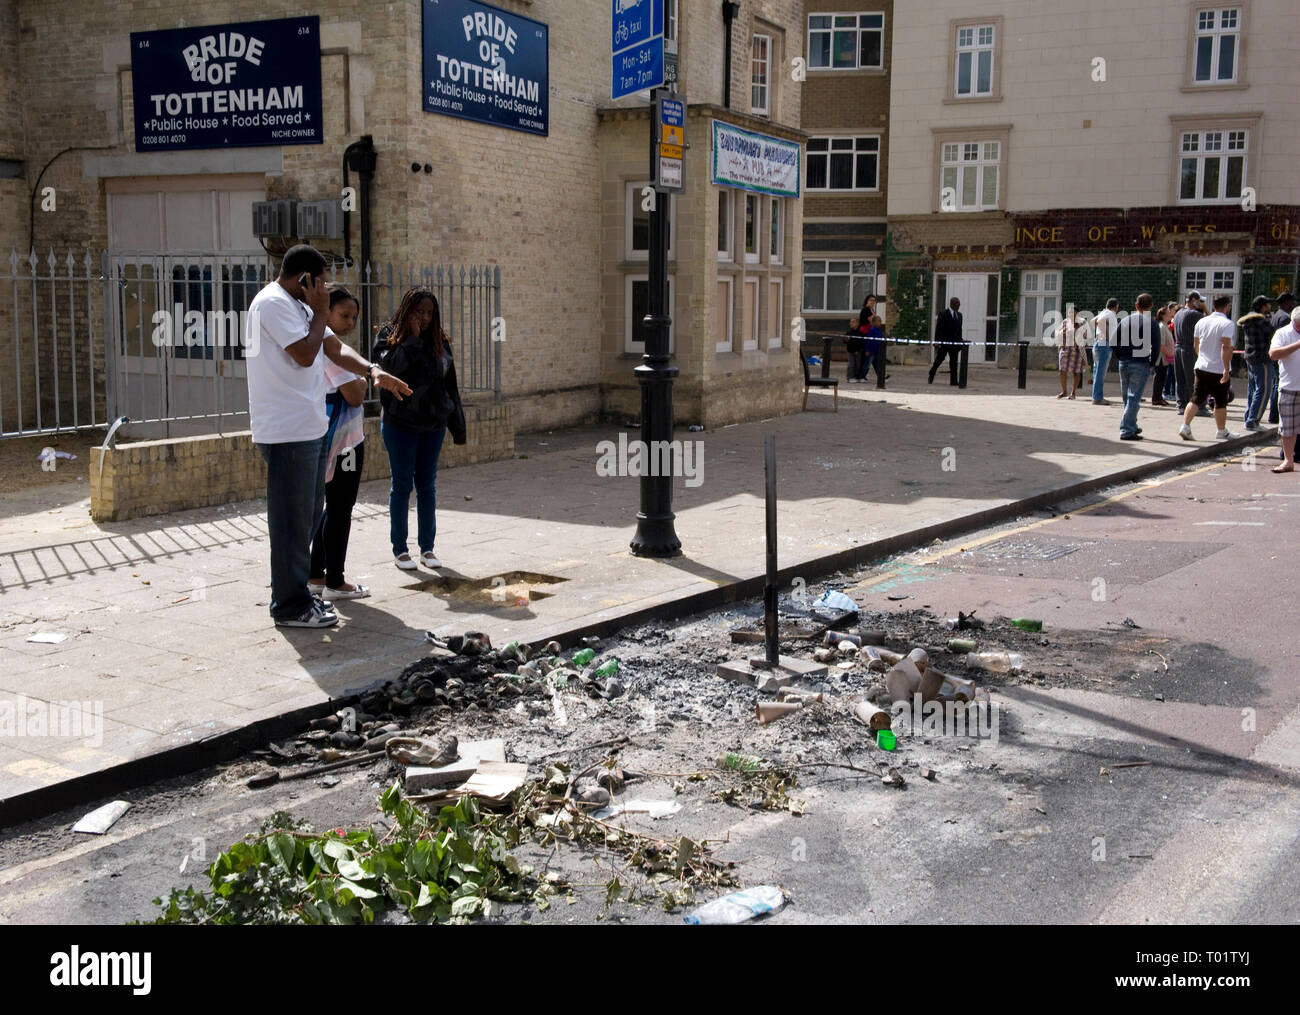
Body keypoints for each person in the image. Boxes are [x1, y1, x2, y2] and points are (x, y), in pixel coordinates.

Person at [245, 246, 410, 628]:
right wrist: (321, 311)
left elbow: (331, 347)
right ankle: (288, 606)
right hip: (286, 431)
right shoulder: (272, 304)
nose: (324, 289)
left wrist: (372, 371)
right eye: (319, 281)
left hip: (310, 427)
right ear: (305, 279)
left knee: (306, 517)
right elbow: (305, 354)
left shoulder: (300, 307)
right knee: (291, 520)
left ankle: (299, 596)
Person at [375, 288, 467, 572]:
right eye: (419, 312)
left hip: (433, 424)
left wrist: (456, 422)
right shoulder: (388, 337)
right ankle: (400, 550)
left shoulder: (439, 340)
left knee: (427, 485)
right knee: (402, 485)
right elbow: (389, 369)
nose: (424, 318)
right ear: (407, 311)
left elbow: (449, 382)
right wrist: (412, 339)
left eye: (429, 313)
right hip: (399, 423)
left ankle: (427, 548)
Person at [308, 286, 370, 599]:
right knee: (340, 508)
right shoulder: (331, 351)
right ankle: (336, 580)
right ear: (326, 312)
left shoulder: (320, 345)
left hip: (334, 438)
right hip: (342, 443)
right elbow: (357, 394)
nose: (349, 322)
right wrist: (360, 380)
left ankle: (316, 574)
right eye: (343, 315)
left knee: (332, 507)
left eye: (354, 317)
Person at [1178, 295, 1238, 441]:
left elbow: (1196, 344)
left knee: (1196, 397)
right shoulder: (1227, 323)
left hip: (1201, 366)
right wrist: (1225, 369)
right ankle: (1221, 431)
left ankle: (1185, 426)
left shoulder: (1202, 321)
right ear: (1227, 306)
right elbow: (1225, 346)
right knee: (1220, 400)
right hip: (1218, 368)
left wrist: (1202, 358)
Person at [1114, 294, 1160, 440]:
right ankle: (1127, 429)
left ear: (1136, 305)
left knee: (1127, 397)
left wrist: (1120, 356)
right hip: (1141, 362)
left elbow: (1114, 340)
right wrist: (1152, 363)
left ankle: (1131, 425)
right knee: (1134, 397)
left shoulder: (1125, 320)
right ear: (1151, 306)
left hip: (1124, 361)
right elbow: (1157, 346)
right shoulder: (1152, 323)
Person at [1268, 306, 1300, 473]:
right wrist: (1297, 345)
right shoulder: (1283, 333)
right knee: (1288, 427)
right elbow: (1273, 354)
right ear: (1293, 321)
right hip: (1289, 386)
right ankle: (1288, 461)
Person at [1239, 295, 1275, 431]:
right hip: (1262, 358)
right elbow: (1273, 334)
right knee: (1264, 389)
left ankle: (1249, 416)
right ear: (1262, 306)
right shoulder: (1261, 321)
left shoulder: (1248, 320)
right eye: (1268, 304)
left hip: (1250, 357)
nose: (1270, 307)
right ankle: (1253, 421)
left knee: (1253, 389)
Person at [1173, 291, 1206, 415]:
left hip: (1178, 348)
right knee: (1193, 379)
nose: (1201, 304)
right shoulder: (1193, 314)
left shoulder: (1178, 314)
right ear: (1193, 300)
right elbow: (1210, 320)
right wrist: (1204, 308)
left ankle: (1181, 405)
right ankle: (1198, 406)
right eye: (1200, 301)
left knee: (1180, 379)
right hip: (1188, 348)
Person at [1268, 292, 1296, 426]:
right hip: (1283, 356)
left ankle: (1274, 414)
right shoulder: (1285, 320)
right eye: (1292, 302)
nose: (1294, 304)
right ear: (1286, 303)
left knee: (1276, 384)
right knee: (1278, 385)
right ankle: (1275, 415)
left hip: (1278, 354)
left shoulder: (1276, 315)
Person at [1091, 298, 1121, 405]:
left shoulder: (1104, 312)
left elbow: (1093, 321)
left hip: (1098, 343)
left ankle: (1096, 396)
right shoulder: (1110, 314)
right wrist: (1108, 337)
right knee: (1101, 372)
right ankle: (1097, 398)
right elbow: (1098, 322)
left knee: (1097, 372)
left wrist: (1101, 333)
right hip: (1104, 344)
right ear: (1116, 306)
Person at [1054, 305, 1087, 399]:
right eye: (1069, 312)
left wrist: (1078, 330)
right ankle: (1064, 391)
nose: (1070, 314)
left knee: (1076, 371)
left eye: (1072, 312)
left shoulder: (1082, 322)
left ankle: (1073, 393)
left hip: (1077, 349)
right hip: (1065, 348)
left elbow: (1086, 335)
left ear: (1077, 313)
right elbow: (1058, 333)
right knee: (1062, 370)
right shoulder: (1065, 322)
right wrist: (1062, 332)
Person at [929, 297, 963, 385]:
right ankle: (932, 372)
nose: (958, 306)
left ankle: (954, 381)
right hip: (945, 342)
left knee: (954, 362)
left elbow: (959, 330)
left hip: (954, 343)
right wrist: (937, 341)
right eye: (957, 304)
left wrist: (961, 341)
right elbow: (939, 328)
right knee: (939, 359)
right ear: (952, 304)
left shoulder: (959, 315)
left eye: (959, 305)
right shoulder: (943, 314)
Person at [1150, 306, 1175, 406]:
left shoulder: (1165, 325)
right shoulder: (1161, 326)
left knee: (1162, 378)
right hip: (1161, 358)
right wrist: (1169, 353)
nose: (1170, 314)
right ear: (1163, 315)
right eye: (1168, 313)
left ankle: (1159, 397)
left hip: (1165, 358)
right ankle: (1156, 398)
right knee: (1159, 378)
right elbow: (1161, 344)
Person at [1162, 302, 1179, 401]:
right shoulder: (1170, 323)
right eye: (1174, 310)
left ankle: (1172, 391)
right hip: (1170, 350)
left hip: (1173, 349)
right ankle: (1167, 391)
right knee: (1170, 372)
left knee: (1173, 373)